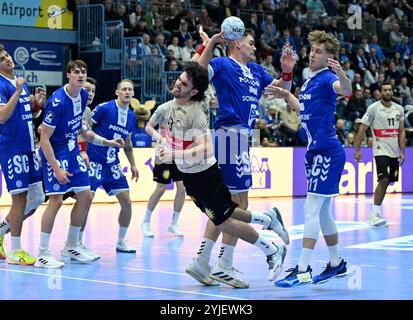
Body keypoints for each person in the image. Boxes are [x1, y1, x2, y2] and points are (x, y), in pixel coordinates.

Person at [155, 61, 288, 287]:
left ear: (194, 91)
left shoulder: (196, 112)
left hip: (204, 174)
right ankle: (268, 219)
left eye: (184, 83)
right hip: (189, 176)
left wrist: (174, 153)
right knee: (225, 213)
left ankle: (271, 249)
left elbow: (207, 147)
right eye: (179, 79)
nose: (178, 84)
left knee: (224, 220)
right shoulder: (171, 105)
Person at [188, 27, 294, 287]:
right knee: (238, 201)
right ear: (236, 43)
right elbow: (197, 75)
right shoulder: (223, 64)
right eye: (251, 42)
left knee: (222, 202)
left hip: (242, 136)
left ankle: (203, 261)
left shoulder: (257, 71)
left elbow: (282, 91)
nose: (255, 47)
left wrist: (287, 70)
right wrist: (211, 44)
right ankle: (224, 263)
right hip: (228, 134)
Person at [265, 30, 352, 287]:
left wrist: (341, 73)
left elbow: (345, 90)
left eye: (319, 51)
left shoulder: (327, 78)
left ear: (330, 57)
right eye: (312, 50)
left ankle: (303, 269)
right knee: (324, 213)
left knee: (311, 208)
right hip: (315, 151)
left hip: (328, 150)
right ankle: (336, 264)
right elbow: (302, 109)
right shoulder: (310, 80)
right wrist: (285, 93)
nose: (313, 54)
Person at [34, 60, 123, 268]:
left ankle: (71, 246)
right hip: (54, 151)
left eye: (83, 71)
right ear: (68, 75)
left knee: (86, 195)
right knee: (55, 200)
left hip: (72, 150)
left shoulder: (83, 95)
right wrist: (55, 167)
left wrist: (106, 141)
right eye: (76, 72)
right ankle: (43, 253)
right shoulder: (57, 102)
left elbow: (81, 128)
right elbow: (44, 138)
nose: (81, 75)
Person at [0, 43, 45, 265]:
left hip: (29, 148)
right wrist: (18, 91)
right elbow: (1, 116)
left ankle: (0, 233)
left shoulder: (17, 80)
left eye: (7, 55)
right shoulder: (3, 84)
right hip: (12, 148)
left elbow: (21, 112)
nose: (8, 59)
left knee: (36, 197)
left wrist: (35, 105)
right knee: (19, 200)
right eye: (2, 59)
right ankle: (16, 251)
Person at [86, 79, 139, 253]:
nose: (127, 92)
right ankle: (76, 243)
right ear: (117, 92)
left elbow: (128, 142)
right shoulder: (104, 108)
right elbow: (85, 130)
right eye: (124, 89)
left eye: (130, 89)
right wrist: (83, 151)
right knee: (85, 201)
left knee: (127, 202)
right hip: (94, 161)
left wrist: (133, 164)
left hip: (113, 164)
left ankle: (121, 242)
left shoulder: (132, 116)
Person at [354, 82, 405, 227]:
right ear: (380, 92)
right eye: (385, 90)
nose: (387, 92)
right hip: (379, 149)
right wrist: (357, 150)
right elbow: (362, 129)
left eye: (389, 90)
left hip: (393, 151)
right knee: (383, 179)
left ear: (392, 91)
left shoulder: (399, 109)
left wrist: (402, 152)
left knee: (388, 181)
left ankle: (375, 213)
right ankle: (374, 214)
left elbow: (401, 132)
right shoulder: (373, 108)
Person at [142, 114, 187, 238]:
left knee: (182, 188)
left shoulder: (190, 109)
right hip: (163, 154)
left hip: (179, 155)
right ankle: (146, 222)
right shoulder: (164, 109)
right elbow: (148, 127)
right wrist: (160, 139)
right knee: (161, 188)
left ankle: (174, 223)